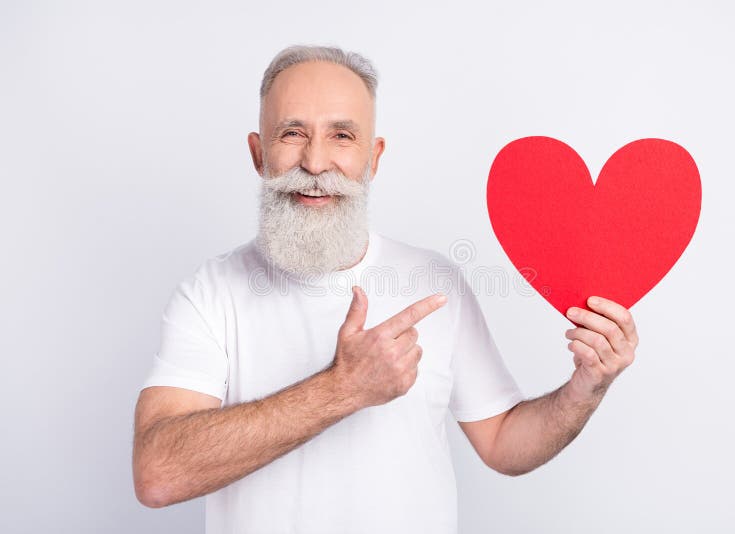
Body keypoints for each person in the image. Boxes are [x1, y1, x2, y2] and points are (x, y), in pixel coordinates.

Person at [132, 45, 639, 533]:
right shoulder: (210, 292)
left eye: (342, 136)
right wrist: (341, 389)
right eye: (291, 133)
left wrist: (585, 387)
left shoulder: (435, 282)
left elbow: (504, 443)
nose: (315, 163)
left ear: (374, 158)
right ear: (257, 153)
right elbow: (156, 474)